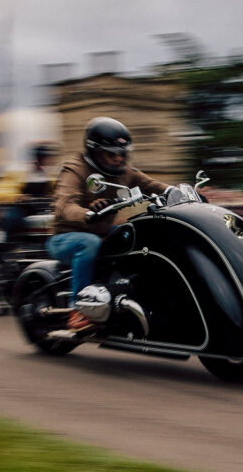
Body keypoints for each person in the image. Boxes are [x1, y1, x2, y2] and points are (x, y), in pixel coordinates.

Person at [48, 117, 169, 332]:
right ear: (94, 151)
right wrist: (87, 213)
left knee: (137, 233)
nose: (117, 159)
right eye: (110, 153)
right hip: (66, 237)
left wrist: (182, 191)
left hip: (103, 233)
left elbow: (152, 185)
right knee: (89, 243)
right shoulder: (76, 169)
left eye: (122, 153)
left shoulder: (124, 171)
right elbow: (64, 206)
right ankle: (78, 309)